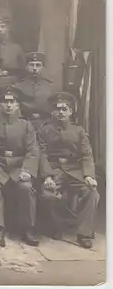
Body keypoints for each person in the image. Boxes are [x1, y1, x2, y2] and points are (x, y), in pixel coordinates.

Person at [38, 92, 99, 249]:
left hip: (74, 170)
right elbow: (41, 154)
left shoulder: (78, 131)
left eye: (64, 109)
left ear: (71, 111)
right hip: (54, 169)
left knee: (92, 192)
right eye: (57, 109)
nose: (60, 112)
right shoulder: (45, 130)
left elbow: (87, 155)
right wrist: (47, 176)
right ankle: (56, 226)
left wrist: (88, 175)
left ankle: (84, 233)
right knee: (47, 195)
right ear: (52, 112)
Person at [0, 85, 39, 247]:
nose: (8, 105)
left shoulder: (26, 125)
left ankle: (28, 229)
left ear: (17, 105)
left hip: (19, 166)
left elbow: (32, 150)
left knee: (26, 187)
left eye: (12, 101)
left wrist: (27, 170)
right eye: (5, 101)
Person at [14, 52, 54, 130]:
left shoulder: (51, 86)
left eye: (38, 65)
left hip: (46, 124)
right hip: (25, 124)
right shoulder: (18, 86)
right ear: (26, 67)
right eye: (32, 65)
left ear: (43, 67)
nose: (35, 68)